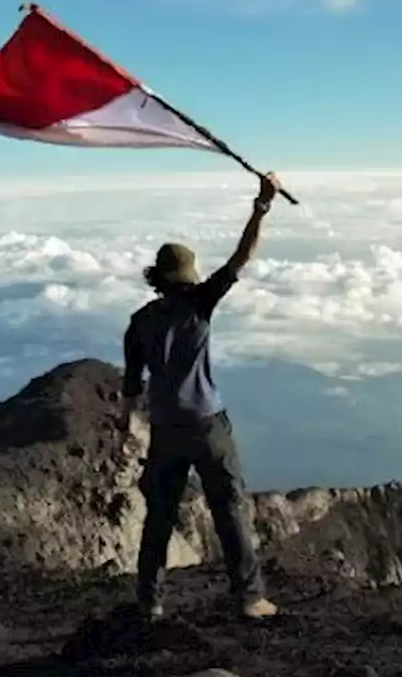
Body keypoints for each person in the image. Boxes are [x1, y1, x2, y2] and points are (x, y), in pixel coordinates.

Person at [116, 172, 284, 621]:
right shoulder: (200, 304)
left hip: (166, 430)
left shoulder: (138, 322)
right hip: (208, 423)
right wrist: (261, 205)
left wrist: (126, 434)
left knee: (159, 518)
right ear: (188, 276)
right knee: (229, 510)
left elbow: (132, 386)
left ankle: (149, 601)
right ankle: (249, 598)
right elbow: (241, 257)